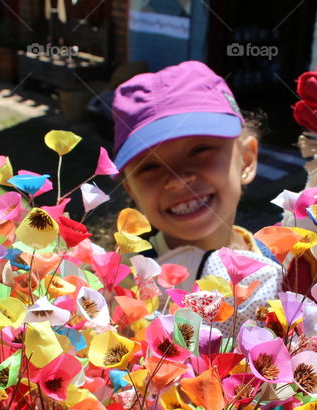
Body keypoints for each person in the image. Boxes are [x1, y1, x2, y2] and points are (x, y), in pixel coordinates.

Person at [111, 60, 282, 317]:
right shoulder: (118, 289)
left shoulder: (288, 271)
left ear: (246, 160)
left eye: (200, 150)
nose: (178, 180)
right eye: (150, 168)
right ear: (132, 190)